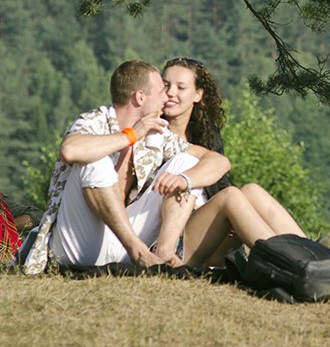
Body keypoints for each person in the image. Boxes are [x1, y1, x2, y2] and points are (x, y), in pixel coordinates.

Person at [23, 60, 231, 274]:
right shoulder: (95, 120)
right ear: (140, 97)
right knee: (94, 160)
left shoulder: (156, 133)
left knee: (186, 164)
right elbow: (69, 150)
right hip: (77, 244)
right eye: (161, 90)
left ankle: (163, 254)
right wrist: (131, 135)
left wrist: (185, 179)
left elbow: (219, 161)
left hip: (119, 244)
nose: (166, 97)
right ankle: (138, 251)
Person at [155, 57, 307, 263]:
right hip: (172, 238)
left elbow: (220, 186)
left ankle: (310, 250)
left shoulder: (206, 137)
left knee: (250, 190)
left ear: (198, 95)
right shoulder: (152, 135)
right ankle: (295, 263)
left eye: (180, 87)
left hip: (208, 233)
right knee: (231, 197)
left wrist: (232, 217)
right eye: (165, 86)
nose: (171, 93)